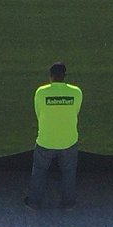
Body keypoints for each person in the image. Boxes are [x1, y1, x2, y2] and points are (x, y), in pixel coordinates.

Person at [25, 61, 82, 210]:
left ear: (50, 77)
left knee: (39, 171)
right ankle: (68, 203)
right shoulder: (76, 92)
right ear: (65, 76)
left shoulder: (41, 92)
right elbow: (76, 111)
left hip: (45, 141)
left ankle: (34, 202)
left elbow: (39, 113)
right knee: (69, 173)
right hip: (69, 140)